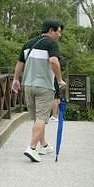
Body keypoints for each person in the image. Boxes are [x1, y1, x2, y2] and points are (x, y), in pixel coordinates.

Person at [12, 20, 66, 162]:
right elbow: (54, 61)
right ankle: (32, 147)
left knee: (37, 117)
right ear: (50, 30)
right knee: (42, 117)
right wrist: (59, 80)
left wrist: (15, 79)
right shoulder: (51, 44)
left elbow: (19, 63)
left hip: (28, 85)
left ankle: (44, 145)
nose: (59, 35)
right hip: (44, 86)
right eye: (58, 31)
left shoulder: (28, 43)